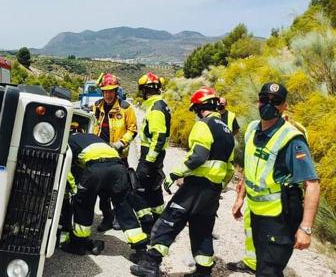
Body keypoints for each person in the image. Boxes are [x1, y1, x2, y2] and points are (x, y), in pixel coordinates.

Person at [131, 88, 235, 277]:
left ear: (199, 107)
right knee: (202, 229)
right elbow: (230, 169)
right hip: (212, 191)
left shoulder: (204, 125)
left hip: (195, 186)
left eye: (195, 110)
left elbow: (198, 157)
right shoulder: (227, 131)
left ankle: (150, 264)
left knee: (168, 220)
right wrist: (218, 187)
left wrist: (175, 174)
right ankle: (203, 270)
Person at [231, 83, 320, 277]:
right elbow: (250, 164)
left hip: (280, 218)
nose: (269, 104)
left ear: (284, 106)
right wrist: (240, 197)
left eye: (276, 101)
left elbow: (312, 184)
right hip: (257, 214)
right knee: (263, 265)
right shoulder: (253, 129)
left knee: (268, 271)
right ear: (258, 102)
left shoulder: (291, 139)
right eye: (265, 99)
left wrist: (305, 228)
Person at [60, 133, 148, 255]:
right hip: (118, 168)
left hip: (95, 169)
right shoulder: (95, 138)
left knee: (83, 205)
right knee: (124, 207)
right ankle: (141, 250)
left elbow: (67, 169)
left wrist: (74, 189)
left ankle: (78, 244)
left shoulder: (68, 141)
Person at [91, 73, 139, 231]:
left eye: (111, 91)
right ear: (102, 92)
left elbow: (133, 130)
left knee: (119, 190)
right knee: (102, 191)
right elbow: (93, 126)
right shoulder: (97, 106)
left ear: (116, 91)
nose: (108, 94)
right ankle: (107, 217)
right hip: (100, 156)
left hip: (118, 156)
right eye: (105, 91)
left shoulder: (126, 108)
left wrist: (121, 143)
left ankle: (119, 217)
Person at [135, 72, 171, 225]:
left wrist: (149, 160)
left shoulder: (156, 108)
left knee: (138, 188)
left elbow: (159, 136)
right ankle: (159, 219)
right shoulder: (161, 105)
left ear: (145, 90)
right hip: (156, 155)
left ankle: (147, 223)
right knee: (154, 189)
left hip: (150, 155)